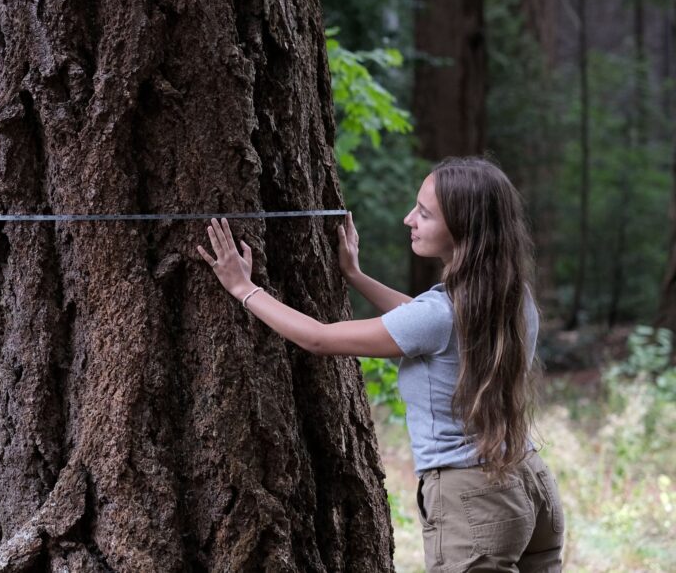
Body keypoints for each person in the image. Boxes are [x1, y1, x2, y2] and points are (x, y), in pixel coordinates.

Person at [198, 157, 565, 572]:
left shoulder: (439, 315)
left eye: (425, 214)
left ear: (464, 228)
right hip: (530, 483)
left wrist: (244, 288)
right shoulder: (512, 296)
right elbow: (421, 323)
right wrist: (356, 276)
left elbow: (318, 338)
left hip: (474, 499)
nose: (410, 219)